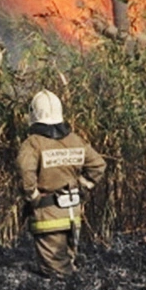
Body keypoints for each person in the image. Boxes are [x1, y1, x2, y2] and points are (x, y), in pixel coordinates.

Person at [17, 90, 107, 278]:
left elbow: (26, 173)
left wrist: (33, 197)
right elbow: (98, 165)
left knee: (56, 273)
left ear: (33, 114)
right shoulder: (75, 140)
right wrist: (82, 186)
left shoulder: (33, 144)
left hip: (48, 217)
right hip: (73, 216)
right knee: (68, 262)